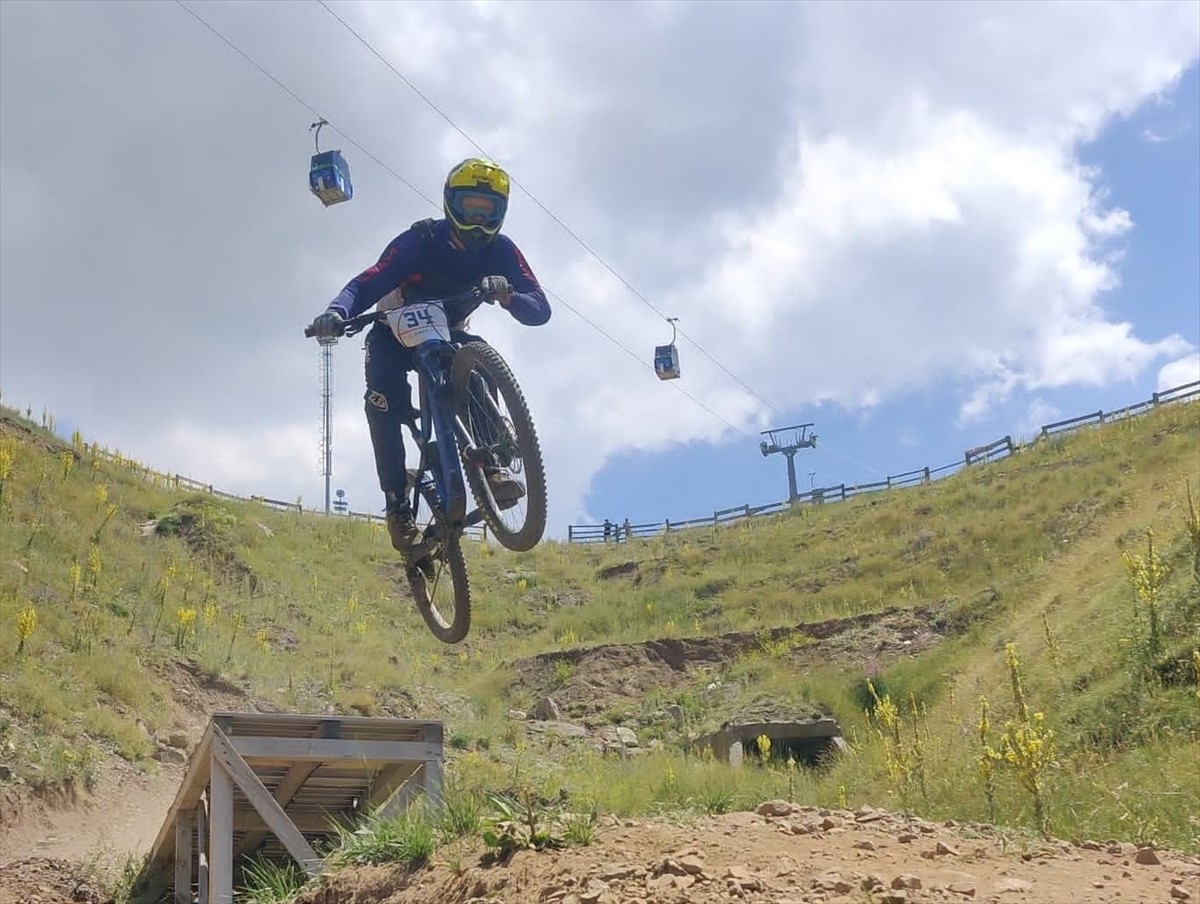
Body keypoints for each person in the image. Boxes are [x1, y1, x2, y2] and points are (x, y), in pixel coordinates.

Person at [307, 157, 551, 552]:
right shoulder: (419, 240)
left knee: (477, 365)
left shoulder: (501, 249)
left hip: (450, 334)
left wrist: (509, 296)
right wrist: (337, 313)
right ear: (450, 203)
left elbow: (540, 308)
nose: (476, 221)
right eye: (469, 207)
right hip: (392, 334)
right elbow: (367, 282)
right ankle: (398, 507)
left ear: (501, 214)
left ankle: (492, 465)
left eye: (487, 212)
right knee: (382, 404)